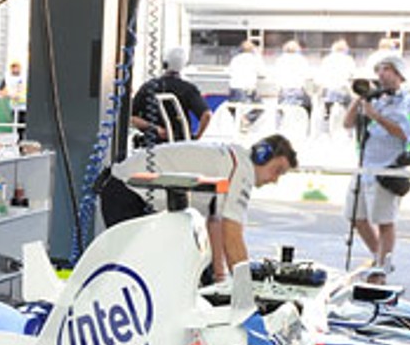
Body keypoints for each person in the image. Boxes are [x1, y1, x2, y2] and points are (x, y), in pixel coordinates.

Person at [96, 135, 297, 279]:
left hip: (128, 191)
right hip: (128, 192)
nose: (275, 180)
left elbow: (216, 224)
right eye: (277, 170)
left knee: (185, 267)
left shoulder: (233, 160)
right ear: (262, 155)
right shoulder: (242, 169)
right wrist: (245, 293)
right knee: (136, 272)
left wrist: (219, 277)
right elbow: (232, 236)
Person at [342, 51, 410, 275]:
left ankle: (382, 267)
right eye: (379, 70)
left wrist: (375, 116)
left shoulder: (407, 101)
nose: (382, 74)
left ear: (399, 74)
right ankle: (379, 256)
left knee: (384, 221)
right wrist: (361, 99)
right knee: (355, 216)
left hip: (387, 169)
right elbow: (347, 123)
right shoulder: (376, 99)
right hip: (364, 168)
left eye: (387, 69)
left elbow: (404, 133)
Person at [128, 47, 210, 141]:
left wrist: (154, 128)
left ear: (164, 63)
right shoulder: (188, 89)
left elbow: (131, 118)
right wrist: (197, 137)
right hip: (179, 143)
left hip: (151, 143)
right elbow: (206, 115)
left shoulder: (149, 87)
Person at [316, 38, 355, 135]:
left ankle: (325, 128)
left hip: (329, 92)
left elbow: (320, 78)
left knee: (325, 109)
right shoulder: (348, 60)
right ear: (345, 49)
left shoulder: (326, 59)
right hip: (343, 91)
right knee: (353, 105)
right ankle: (350, 129)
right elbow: (352, 76)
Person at [225, 38, 261, 104]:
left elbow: (229, 72)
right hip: (247, 89)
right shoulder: (254, 59)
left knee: (235, 108)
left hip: (234, 89)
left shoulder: (235, 59)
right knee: (258, 106)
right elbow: (262, 72)